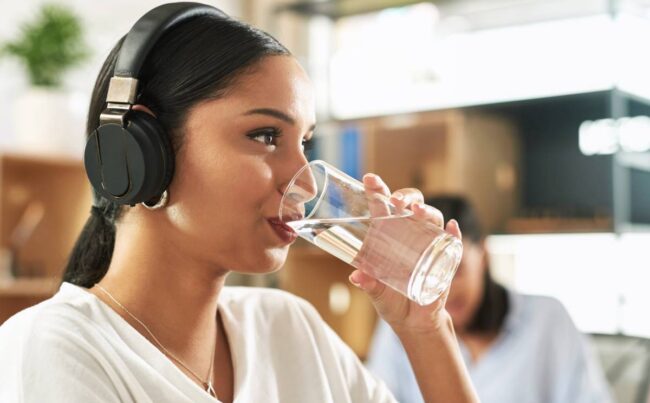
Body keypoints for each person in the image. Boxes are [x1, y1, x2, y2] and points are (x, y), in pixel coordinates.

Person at [0, 4, 478, 403]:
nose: (307, 186)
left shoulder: (290, 328)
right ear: (143, 150)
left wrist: (425, 330)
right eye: (266, 136)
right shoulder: (51, 349)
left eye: (304, 144)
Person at [366, 195, 613, 403]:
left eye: (455, 270)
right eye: (426, 275)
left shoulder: (548, 319)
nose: (443, 291)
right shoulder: (400, 326)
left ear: (483, 254)